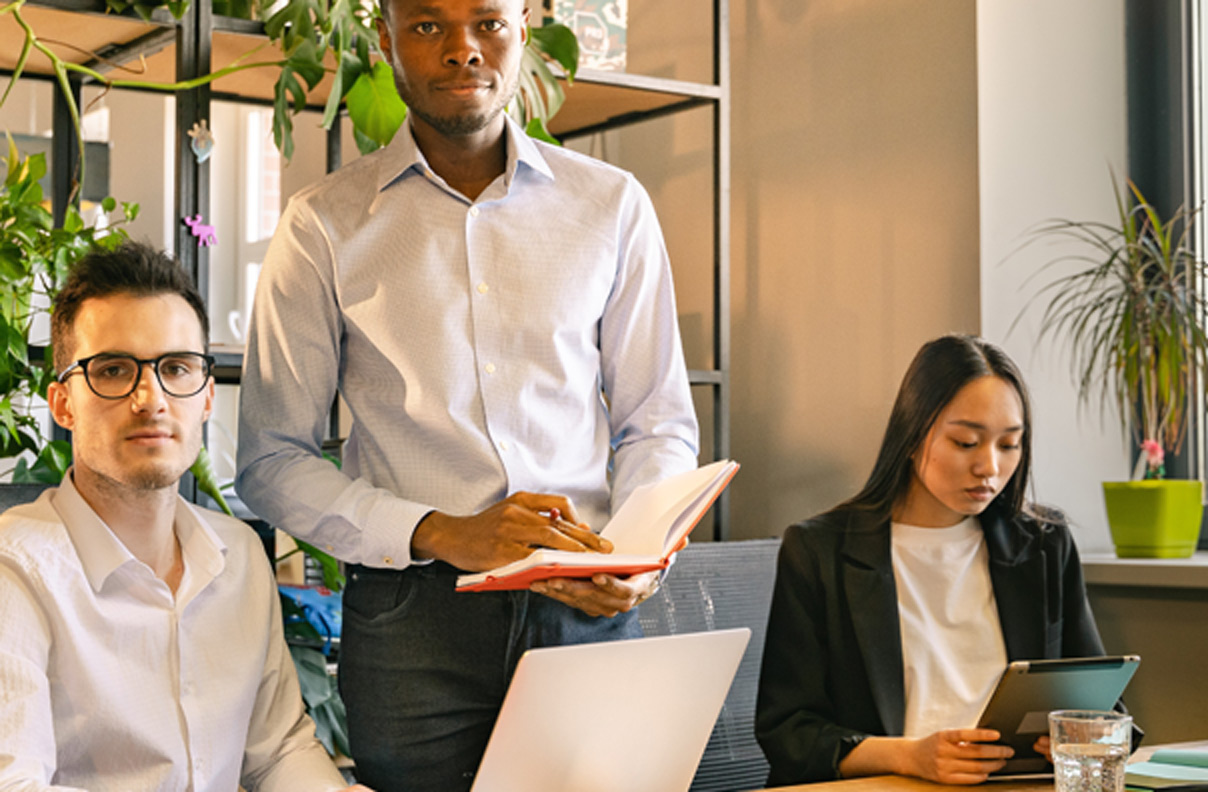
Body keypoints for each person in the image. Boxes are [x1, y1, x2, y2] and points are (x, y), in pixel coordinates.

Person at [234, 0, 699, 788]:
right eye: (427, 26)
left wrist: (636, 552)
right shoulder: (321, 225)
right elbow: (271, 460)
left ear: (526, 25)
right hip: (412, 625)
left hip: (583, 605)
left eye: (487, 22)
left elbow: (658, 421)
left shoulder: (612, 206)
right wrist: (441, 530)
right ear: (384, 40)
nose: (462, 50)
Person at [0, 242, 366, 792]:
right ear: (63, 404)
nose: (151, 399)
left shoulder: (238, 556)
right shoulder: (16, 572)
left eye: (176, 368)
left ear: (207, 398)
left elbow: (277, 750)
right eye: (114, 369)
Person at [755, 334, 1127, 786]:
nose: (988, 466)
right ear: (912, 436)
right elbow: (788, 732)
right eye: (966, 443)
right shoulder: (819, 551)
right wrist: (908, 757)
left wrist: (1083, 735)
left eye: (1009, 445)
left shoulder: (1044, 547)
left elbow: (1106, 710)